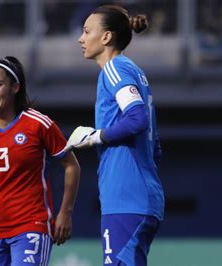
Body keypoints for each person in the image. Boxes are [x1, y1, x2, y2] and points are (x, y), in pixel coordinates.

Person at [66, 5, 165, 266]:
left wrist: (96, 136)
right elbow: (154, 147)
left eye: (87, 31)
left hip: (126, 198)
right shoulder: (133, 72)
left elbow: (137, 119)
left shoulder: (114, 69)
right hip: (138, 196)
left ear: (106, 37)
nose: (81, 38)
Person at [0, 56, 80, 265]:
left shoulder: (38, 124)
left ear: (15, 87)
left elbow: (71, 165)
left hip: (30, 224)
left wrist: (65, 212)